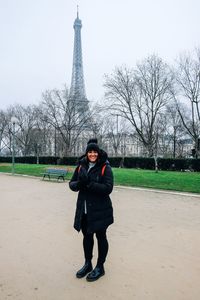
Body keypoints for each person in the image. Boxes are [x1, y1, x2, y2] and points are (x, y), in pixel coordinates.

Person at [69, 138, 114, 282]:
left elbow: (108, 188)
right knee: (87, 237)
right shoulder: (81, 166)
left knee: (101, 237)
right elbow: (72, 183)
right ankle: (88, 264)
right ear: (87, 153)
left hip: (100, 211)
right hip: (84, 210)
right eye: (90, 152)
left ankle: (100, 267)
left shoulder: (104, 167)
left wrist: (89, 184)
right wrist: (79, 184)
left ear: (98, 152)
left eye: (95, 151)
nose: (92, 154)